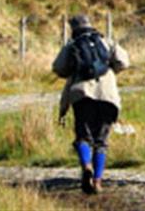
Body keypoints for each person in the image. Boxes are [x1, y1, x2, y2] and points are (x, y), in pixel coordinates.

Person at [52, 14, 130, 195]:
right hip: (108, 95)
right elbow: (124, 62)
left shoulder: (72, 45)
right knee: (101, 140)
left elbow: (58, 68)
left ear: (73, 29)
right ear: (90, 25)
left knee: (83, 136)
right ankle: (97, 181)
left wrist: (76, 69)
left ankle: (87, 165)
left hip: (82, 94)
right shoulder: (105, 41)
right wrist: (109, 70)